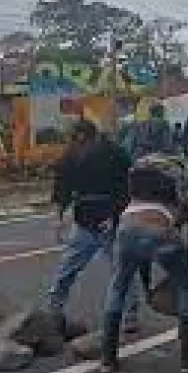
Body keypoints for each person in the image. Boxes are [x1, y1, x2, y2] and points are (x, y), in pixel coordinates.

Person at [98, 156, 188, 373]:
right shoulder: (185, 189)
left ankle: (107, 359)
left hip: (126, 229)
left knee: (119, 285)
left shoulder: (138, 190)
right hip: (160, 232)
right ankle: (187, 360)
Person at [48, 120, 142, 333]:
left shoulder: (115, 154)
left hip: (111, 221)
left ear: (89, 139)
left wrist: (116, 215)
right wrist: (57, 218)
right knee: (67, 268)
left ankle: (131, 313)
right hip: (84, 221)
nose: (76, 146)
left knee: (121, 269)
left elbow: (128, 187)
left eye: (79, 142)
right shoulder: (70, 157)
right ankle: (54, 308)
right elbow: (61, 187)